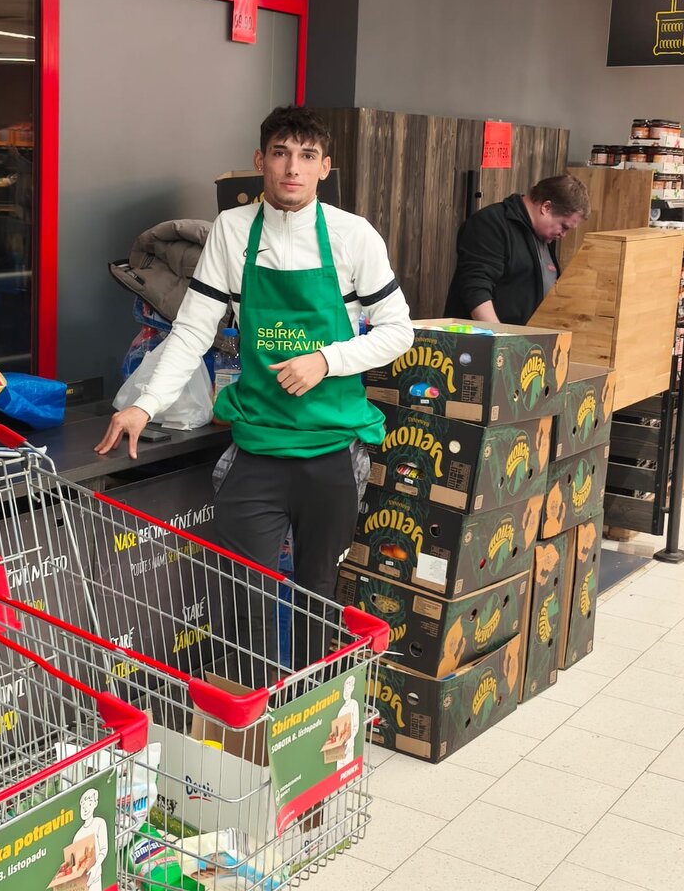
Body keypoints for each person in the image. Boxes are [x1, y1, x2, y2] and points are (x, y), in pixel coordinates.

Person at [96, 105, 413, 683]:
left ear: (324, 167)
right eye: (281, 154)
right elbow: (193, 329)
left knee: (318, 597)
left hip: (333, 449)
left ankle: (311, 713)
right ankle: (258, 718)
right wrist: (145, 403)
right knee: (247, 598)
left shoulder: (353, 235)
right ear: (260, 161)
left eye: (307, 156)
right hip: (258, 449)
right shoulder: (232, 231)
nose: (293, 168)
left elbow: (398, 331)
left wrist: (327, 360)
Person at [444, 175, 590, 325]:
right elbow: (476, 289)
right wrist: (498, 335)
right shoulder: (490, 223)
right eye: (564, 226)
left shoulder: (542, 236)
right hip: (484, 336)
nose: (563, 234)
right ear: (546, 207)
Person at [73, 787, 108, 891]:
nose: (85, 808)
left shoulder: (99, 823)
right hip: (81, 882)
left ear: (95, 804)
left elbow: (104, 849)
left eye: (89, 804)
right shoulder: (77, 835)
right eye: (83, 805)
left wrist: (96, 867)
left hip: (95, 878)